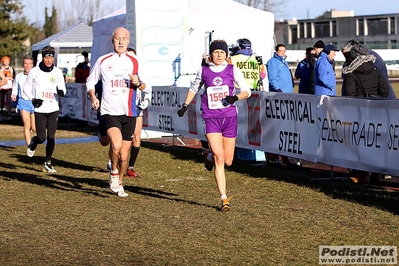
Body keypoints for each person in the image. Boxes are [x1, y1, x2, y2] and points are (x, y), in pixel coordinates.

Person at [177, 40, 251, 212]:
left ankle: (208, 157)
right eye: (216, 52)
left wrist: (235, 98)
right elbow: (194, 88)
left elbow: (247, 91)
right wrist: (185, 105)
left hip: (229, 118)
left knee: (228, 160)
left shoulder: (233, 70)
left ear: (227, 55)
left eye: (222, 52)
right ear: (211, 54)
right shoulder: (203, 71)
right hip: (211, 118)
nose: (219, 55)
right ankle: (224, 198)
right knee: (220, 157)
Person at [86, 27, 149, 197]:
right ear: (112, 40)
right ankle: (113, 173)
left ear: (128, 41)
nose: (121, 41)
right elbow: (90, 82)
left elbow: (147, 87)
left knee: (124, 155)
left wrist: (139, 82)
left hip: (129, 113)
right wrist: (93, 97)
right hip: (109, 111)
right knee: (116, 144)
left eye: (124, 38)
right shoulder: (103, 61)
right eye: (117, 38)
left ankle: (119, 182)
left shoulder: (135, 62)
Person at [23, 46, 66, 173]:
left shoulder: (57, 72)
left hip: (53, 108)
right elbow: (26, 88)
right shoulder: (34, 71)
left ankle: (48, 162)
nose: (49, 60)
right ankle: (33, 142)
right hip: (40, 109)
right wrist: (33, 99)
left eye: (51, 57)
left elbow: (63, 89)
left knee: (51, 137)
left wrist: (61, 92)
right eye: (47, 57)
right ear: (43, 57)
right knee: (42, 137)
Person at [126, 47, 152, 178]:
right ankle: (115, 161)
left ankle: (130, 167)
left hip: (136, 108)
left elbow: (148, 88)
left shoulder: (140, 72)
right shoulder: (119, 72)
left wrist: (145, 100)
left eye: (133, 57)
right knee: (121, 139)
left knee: (136, 136)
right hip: (121, 109)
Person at [266, 44, 294, 166]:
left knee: (287, 126)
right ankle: (277, 155)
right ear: (276, 51)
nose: (282, 53)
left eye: (284, 51)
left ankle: (286, 155)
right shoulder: (273, 62)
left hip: (288, 96)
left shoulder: (284, 62)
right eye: (280, 51)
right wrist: (278, 90)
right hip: (279, 97)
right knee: (279, 125)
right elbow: (273, 77)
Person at [11, 55, 36, 145]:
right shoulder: (19, 77)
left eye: (29, 64)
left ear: (32, 65)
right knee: (26, 123)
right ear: (23, 65)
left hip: (34, 102)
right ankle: (30, 146)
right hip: (23, 101)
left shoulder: (36, 76)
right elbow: (14, 86)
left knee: (34, 128)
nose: (27, 66)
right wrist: (14, 94)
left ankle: (34, 139)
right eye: (25, 64)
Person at [0, 56, 15, 120]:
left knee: (9, 101)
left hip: (9, 86)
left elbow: (14, 77)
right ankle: (1, 113)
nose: (6, 62)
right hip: (2, 87)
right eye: (5, 61)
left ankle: (9, 114)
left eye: (7, 61)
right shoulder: (1, 69)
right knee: (1, 101)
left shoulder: (11, 69)